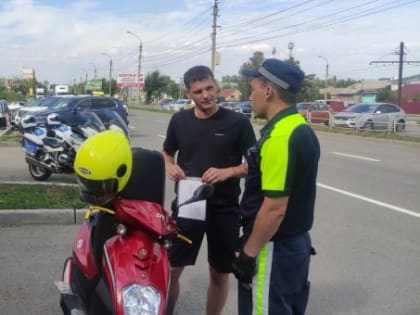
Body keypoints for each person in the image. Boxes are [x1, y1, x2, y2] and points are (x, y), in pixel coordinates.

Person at [162, 65, 256, 315]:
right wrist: (169, 166)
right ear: (188, 93)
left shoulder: (238, 123)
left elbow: (253, 165)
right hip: (188, 205)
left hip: (224, 209)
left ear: (216, 85)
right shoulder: (179, 120)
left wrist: (229, 172)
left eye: (209, 88)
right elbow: (167, 153)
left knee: (219, 273)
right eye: (198, 91)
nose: (205, 95)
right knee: (171, 270)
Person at [232, 58, 320, 315]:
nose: (250, 95)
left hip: (274, 248)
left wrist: (248, 255)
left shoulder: (280, 137)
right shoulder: (300, 127)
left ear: (268, 90)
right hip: (296, 245)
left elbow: (274, 209)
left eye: (253, 88)